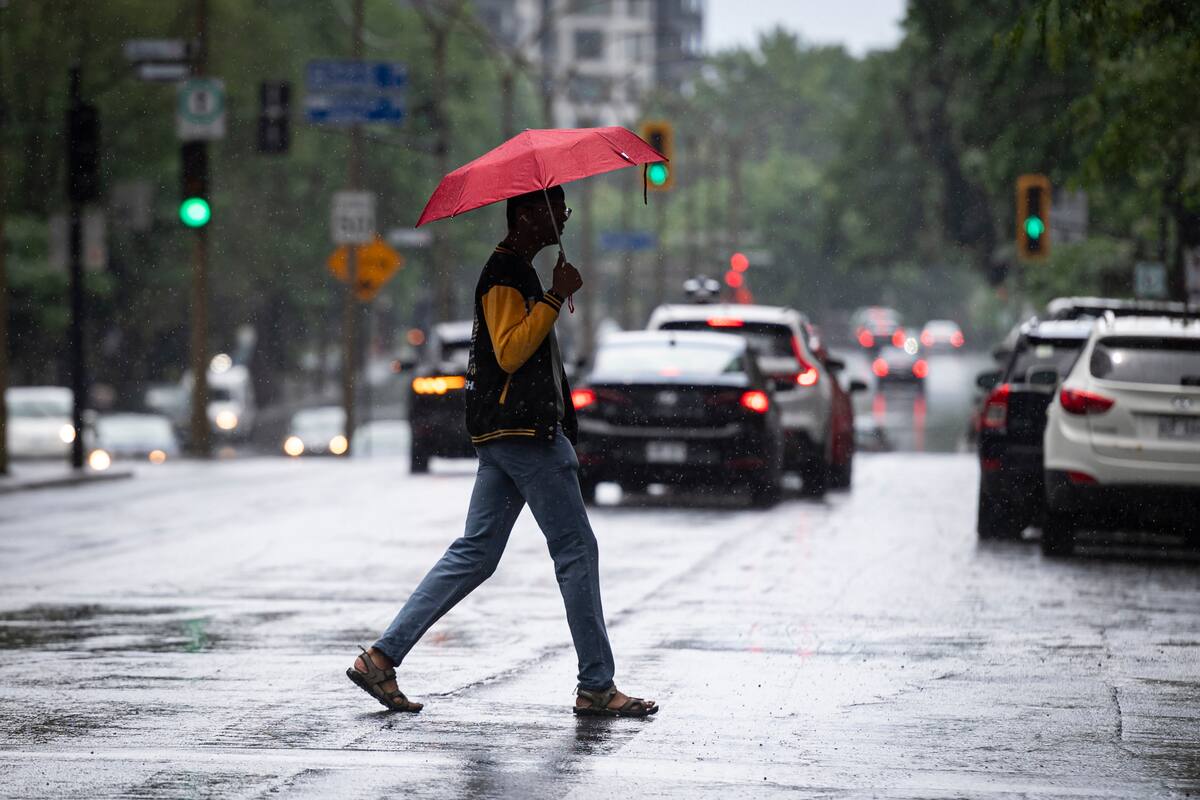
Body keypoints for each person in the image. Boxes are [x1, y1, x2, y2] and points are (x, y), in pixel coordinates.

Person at [347, 185, 658, 718]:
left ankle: (381, 657)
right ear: (527, 214)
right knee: (577, 552)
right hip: (525, 436)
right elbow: (511, 351)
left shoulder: (517, 271)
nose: (564, 214)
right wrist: (555, 297)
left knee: (476, 554)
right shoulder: (506, 272)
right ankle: (597, 685)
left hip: (507, 436)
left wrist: (552, 295)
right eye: (556, 206)